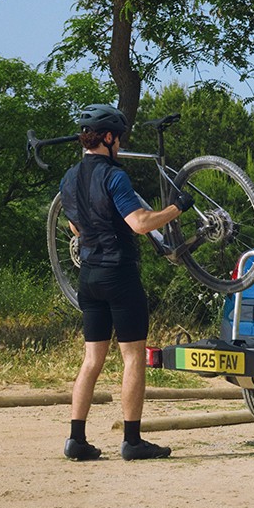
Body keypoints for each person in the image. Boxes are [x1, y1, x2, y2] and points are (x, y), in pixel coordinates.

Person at [60, 102, 192, 461]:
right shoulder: (115, 176)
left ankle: (76, 439)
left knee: (91, 360)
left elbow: (74, 226)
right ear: (107, 137)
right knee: (133, 358)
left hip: (88, 275)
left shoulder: (69, 177)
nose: (119, 143)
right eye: (117, 137)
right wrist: (177, 207)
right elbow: (140, 223)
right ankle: (133, 441)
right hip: (119, 274)